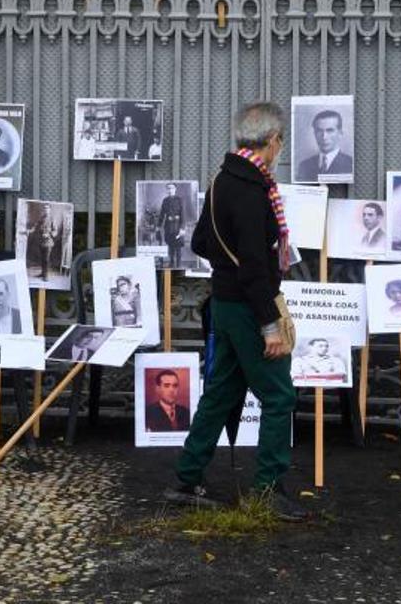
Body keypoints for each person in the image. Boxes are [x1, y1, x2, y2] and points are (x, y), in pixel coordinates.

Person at [168, 101, 305, 520]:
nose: (280, 149)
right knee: (279, 397)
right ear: (273, 141)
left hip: (225, 306)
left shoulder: (223, 179)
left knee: (222, 394)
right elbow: (254, 268)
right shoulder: (253, 191)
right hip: (249, 310)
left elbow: (199, 244)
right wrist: (270, 325)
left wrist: (229, 270)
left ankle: (187, 477)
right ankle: (267, 489)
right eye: (281, 142)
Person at [295, 109, 354, 181]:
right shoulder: (304, 166)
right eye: (319, 131)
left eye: (330, 130)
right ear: (314, 133)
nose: (324, 137)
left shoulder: (351, 164)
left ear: (340, 133)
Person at [159, 183, 187, 268]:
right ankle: (171, 263)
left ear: (175, 189)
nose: (170, 190)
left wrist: (182, 228)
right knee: (170, 245)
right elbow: (162, 214)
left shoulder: (180, 200)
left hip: (177, 226)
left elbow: (183, 214)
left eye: (172, 188)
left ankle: (178, 264)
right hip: (168, 226)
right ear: (167, 190)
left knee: (178, 247)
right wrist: (158, 226)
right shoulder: (165, 200)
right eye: (168, 188)